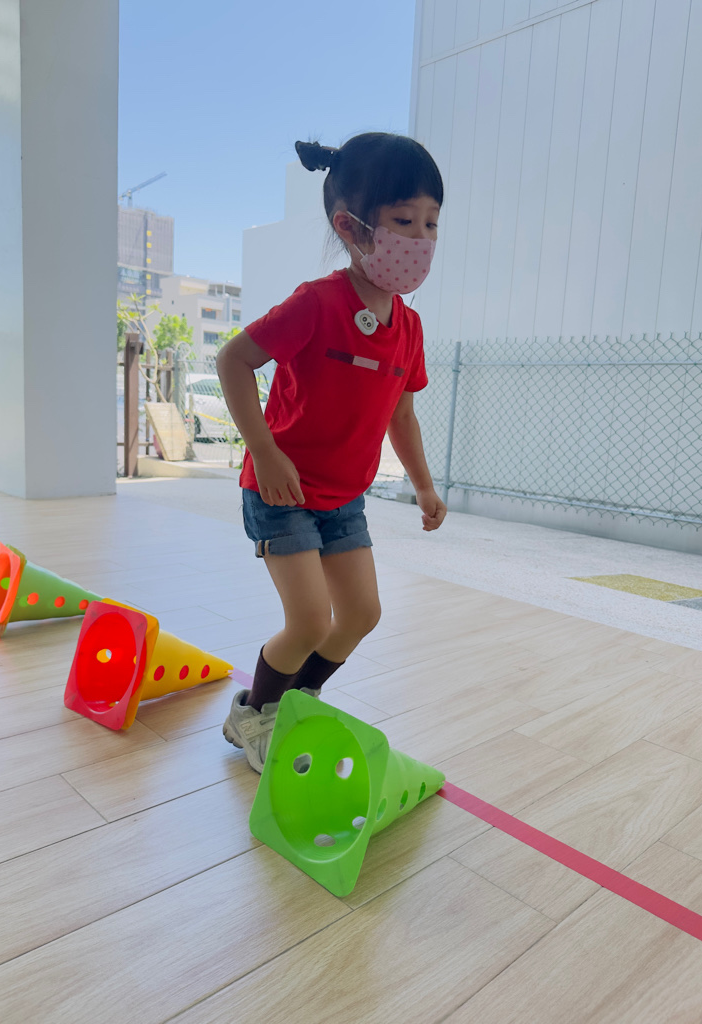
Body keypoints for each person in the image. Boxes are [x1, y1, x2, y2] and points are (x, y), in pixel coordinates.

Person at [216, 131, 447, 772]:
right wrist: (263, 451)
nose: (421, 239)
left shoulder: (409, 328)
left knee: (362, 614)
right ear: (351, 227)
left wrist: (424, 485)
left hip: (344, 499)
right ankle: (253, 715)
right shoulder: (317, 303)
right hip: (282, 491)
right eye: (404, 221)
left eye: (431, 223)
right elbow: (234, 360)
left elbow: (402, 412)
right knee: (311, 621)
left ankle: (298, 701)